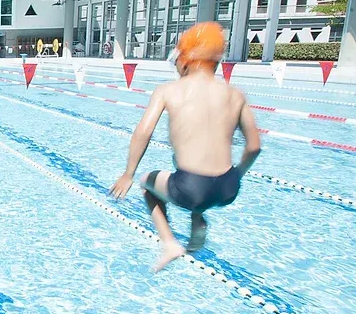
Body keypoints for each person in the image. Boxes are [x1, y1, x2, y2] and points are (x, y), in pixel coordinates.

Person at [109, 22, 262, 272]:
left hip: (191, 188)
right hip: (227, 188)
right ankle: (197, 218)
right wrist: (236, 174)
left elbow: (143, 132)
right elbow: (254, 147)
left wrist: (128, 173)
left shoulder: (169, 90)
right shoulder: (235, 94)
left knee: (148, 183)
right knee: (179, 163)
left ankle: (169, 243)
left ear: (187, 58)